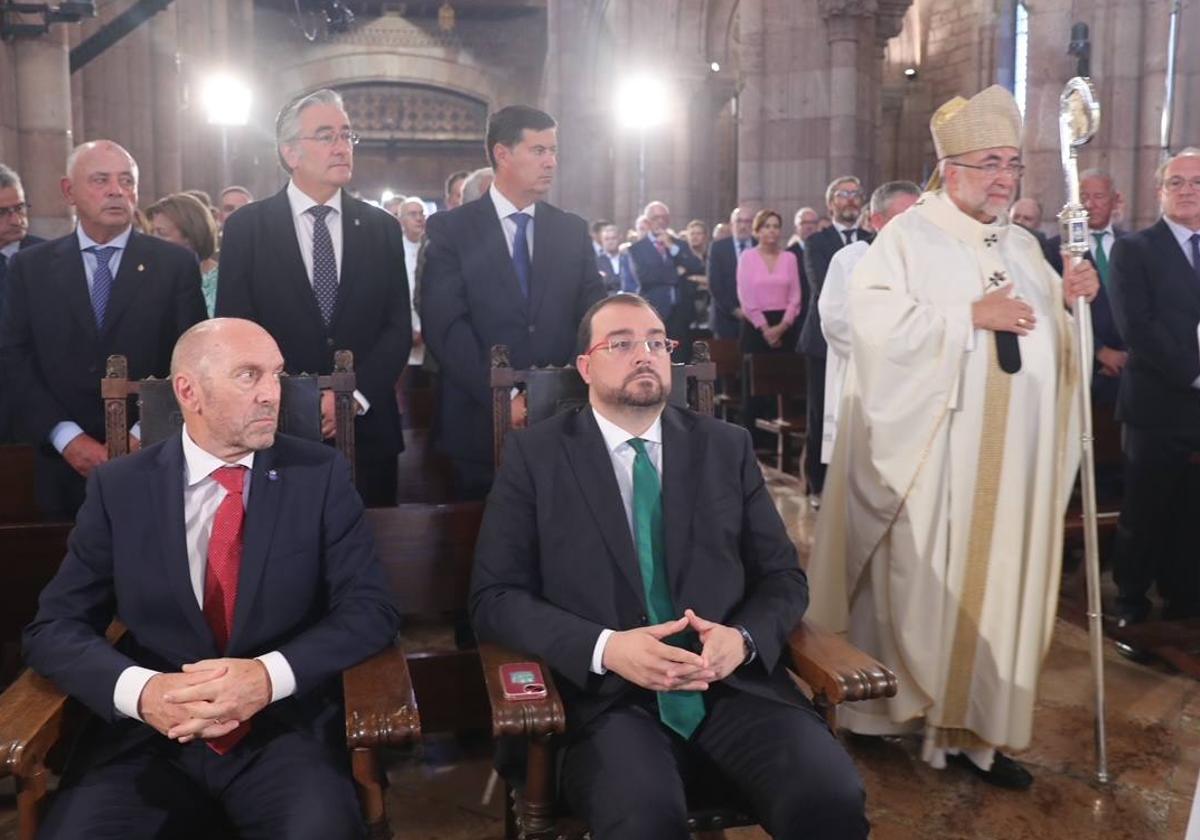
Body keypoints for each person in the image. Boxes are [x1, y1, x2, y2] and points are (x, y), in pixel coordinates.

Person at [470, 293, 868, 840]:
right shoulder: (536, 458)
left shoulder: (725, 447)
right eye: (623, 343)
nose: (645, 354)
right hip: (608, 700)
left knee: (830, 799)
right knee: (644, 821)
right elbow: (495, 597)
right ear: (586, 366)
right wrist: (607, 647)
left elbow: (782, 577)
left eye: (657, 342)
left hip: (729, 685)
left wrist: (744, 639)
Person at [806, 85, 1098, 790]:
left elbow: (1047, 343)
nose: (1005, 177)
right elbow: (871, 330)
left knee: (1000, 591)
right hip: (933, 461)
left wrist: (1069, 306)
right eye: (990, 161)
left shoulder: (1024, 244)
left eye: (1013, 164)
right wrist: (969, 314)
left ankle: (980, 731)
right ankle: (884, 716)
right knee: (912, 587)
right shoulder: (908, 237)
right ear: (951, 167)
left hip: (1013, 465)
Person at [23, 317, 401, 839]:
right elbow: (54, 628)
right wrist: (144, 691)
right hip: (148, 735)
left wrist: (266, 677)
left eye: (277, 375)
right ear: (189, 391)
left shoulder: (319, 475)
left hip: (281, 730)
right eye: (249, 376)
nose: (273, 394)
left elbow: (369, 610)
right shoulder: (121, 487)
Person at [216, 88, 412, 508]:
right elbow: (236, 331)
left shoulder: (381, 228)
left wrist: (351, 397)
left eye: (347, 135)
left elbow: (397, 327)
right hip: (276, 429)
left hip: (368, 429)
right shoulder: (248, 229)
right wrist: (293, 403)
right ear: (290, 152)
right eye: (326, 136)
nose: (342, 147)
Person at [0, 140, 206, 519]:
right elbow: (15, 357)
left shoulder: (174, 265)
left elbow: (190, 357)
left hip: (153, 458)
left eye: (126, 181)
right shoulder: (31, 268)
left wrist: (143, 433)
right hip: (58, 464)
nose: (116, 190)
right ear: (69, 191)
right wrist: (66, 437)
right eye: (100, 180)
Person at [420, 105, 605, 499]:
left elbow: (594, 316)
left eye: (554, 151)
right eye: (538, 151)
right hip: (477, 424)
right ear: (502, 153)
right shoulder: (452, 229)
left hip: (563, 420)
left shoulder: (570, 229)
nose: (551, 162)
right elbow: (446, 326)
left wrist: (557, 392)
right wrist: (502, 396)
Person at [1108, 147, 1200, 626]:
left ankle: (1185, 593)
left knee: (1193, 511)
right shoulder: (1135, 249)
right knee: (1145, 510)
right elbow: (1137, 327)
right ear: (1159, 192)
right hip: (1156, 403)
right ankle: (1130, 600)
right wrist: (1194, 372)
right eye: (1177, 182)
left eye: (1196, 182)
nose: (1188, 191)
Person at [818, 181, 920, 464]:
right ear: (877, 221)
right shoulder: (850, 259)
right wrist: (888, 349)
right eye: (905, 219)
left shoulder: (929, 263)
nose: (915, 227)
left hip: (915, 382)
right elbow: (834, 320)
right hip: (863, 375)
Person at [796, 175, 872, 504]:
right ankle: (819, 483)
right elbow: (823, 284)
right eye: (843, 195)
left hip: (865, 340)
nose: (850, 200)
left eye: (856, 194)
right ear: (831, 204)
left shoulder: (874, 240)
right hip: (823, 339)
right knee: (821, 411)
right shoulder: (816, 242)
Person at [1047, 169, 1129, 407]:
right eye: (1083, 197)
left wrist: (1130, 355)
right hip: (1084, 370)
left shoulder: (1135, 245)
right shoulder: (1055, 250)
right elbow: (1056, 309)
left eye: (1099, 196)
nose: (1090, 204)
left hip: (1132, 371)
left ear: (1114, 199)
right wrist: (1099, 351)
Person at [0, 163, 45, 442]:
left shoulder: (49, 258)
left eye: (20, 208)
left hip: (39, 407)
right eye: (3, 213)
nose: (16, 219)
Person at [626, 201, 704, 359]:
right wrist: (677, 273)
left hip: (680, 311)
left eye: (664, 217)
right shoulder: (637, 248)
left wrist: (672, 247)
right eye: (655, 218)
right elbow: (645, 277)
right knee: (656, 358)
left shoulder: (679, 245)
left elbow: (696, 266)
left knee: (681, 359)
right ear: (647, 221)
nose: (660, 221)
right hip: (655, 311)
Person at [736, 209, 801, 354]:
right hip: (755, 327)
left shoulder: (790, 258)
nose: (772, 230)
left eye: (776, 226)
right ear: (757, 231)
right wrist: (766, 330)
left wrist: (782, 327)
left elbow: (795, 297)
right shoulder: (747, 257)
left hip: (785, 328)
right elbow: (746, 298)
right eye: (767, 226)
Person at [147, 193, 221, 316]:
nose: (152, 240)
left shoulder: (223, 283)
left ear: (190, 235)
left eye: (161, 233)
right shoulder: (149, 276)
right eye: (151, 232)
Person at [706, 206, 756, 340]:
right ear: (732, 224)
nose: (743, 226)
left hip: (757, 319)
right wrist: (735, 310)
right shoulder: (718, 247)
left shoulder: (759, 246)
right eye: (739, 221)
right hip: (726, 318)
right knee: (727, 360)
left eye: (747, 222)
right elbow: (715, 284)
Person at [396, 196, 427, 367]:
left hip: (429, 333)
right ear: (401, 220)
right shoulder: (394, 250)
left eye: (421, 213)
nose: (419, 218)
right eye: (412, 214)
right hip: (404, 332)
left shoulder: (433, 247)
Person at [1008, 196, 1061, 269]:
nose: (1019, 222)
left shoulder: (1046, 252)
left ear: (1038, 224)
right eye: (1016, 217)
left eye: (1027, 219)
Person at [595, 223, 633, 295]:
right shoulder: (597, 262)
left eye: (613, 238)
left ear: (620, 238)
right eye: (607, 239)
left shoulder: (629, 258)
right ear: (601, 241)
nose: (610, 242)